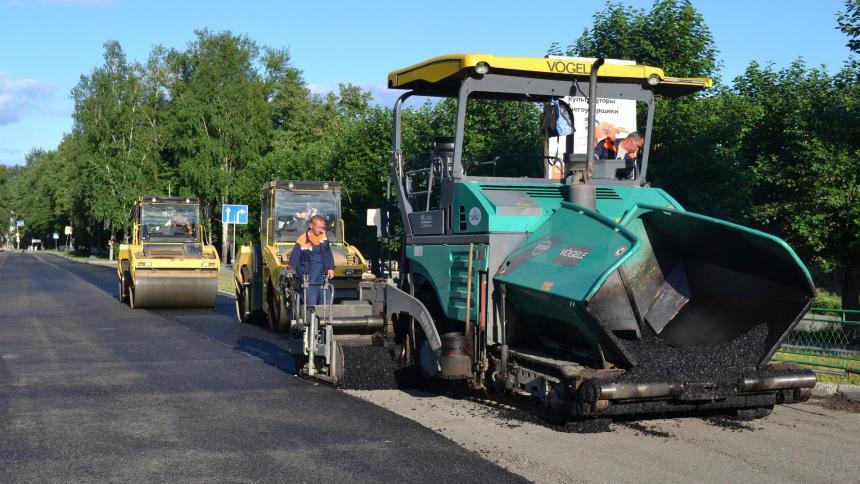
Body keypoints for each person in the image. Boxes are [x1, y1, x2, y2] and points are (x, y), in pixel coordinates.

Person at [288, 214, 335, 307]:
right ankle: (310, 321)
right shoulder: (302, 240)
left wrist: (330, 268)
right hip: (309, 281)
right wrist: (292, 272)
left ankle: (324, 321)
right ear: (311, 226)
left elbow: (328, 253)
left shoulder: (323, 236)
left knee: (327, 306)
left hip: (323, 279)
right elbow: (294, 260)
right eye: (319, 227)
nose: (321, 230)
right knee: (310, 307)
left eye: (323, 227)